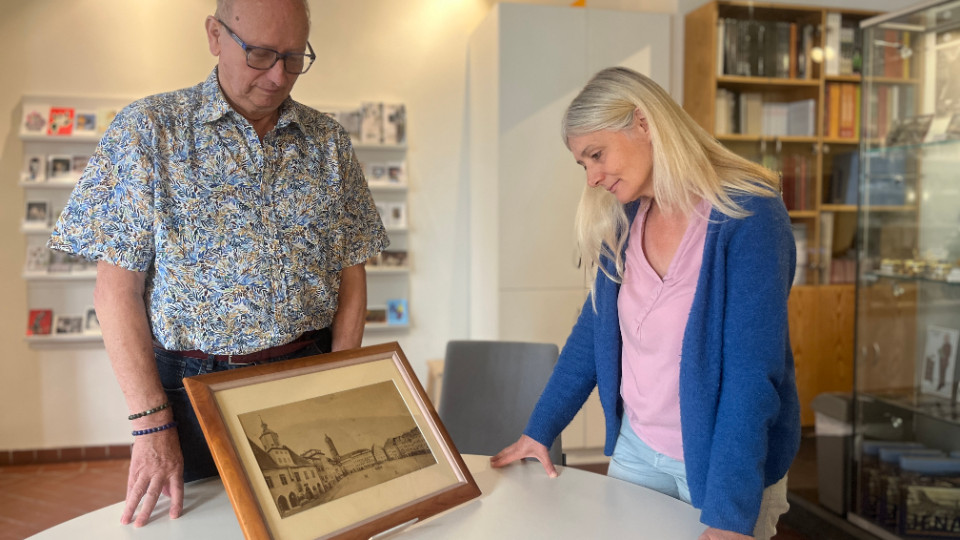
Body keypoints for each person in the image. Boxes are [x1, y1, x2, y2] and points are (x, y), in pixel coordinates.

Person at [48, 0, 387, 528]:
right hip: (191, 388)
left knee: (319, 523)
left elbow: (352, 272)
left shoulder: (329, 143)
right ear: (215, 35)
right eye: (260, 54)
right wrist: (150, 424)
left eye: (295, 58)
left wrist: (338, 385)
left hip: (305, 370)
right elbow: (114, 293)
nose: (278, 76)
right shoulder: (149, 131)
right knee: (201, 528)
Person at [491, 67, 800, 540]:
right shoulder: (625, 217)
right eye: (583, 164)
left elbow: (750, 378)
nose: (593, 178)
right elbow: (591, 338)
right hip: (638, 448)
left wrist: (729, 517)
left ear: (643, 122)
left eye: (597, 155)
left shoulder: (750, 215)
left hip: (723, 464)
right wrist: (539, 430)